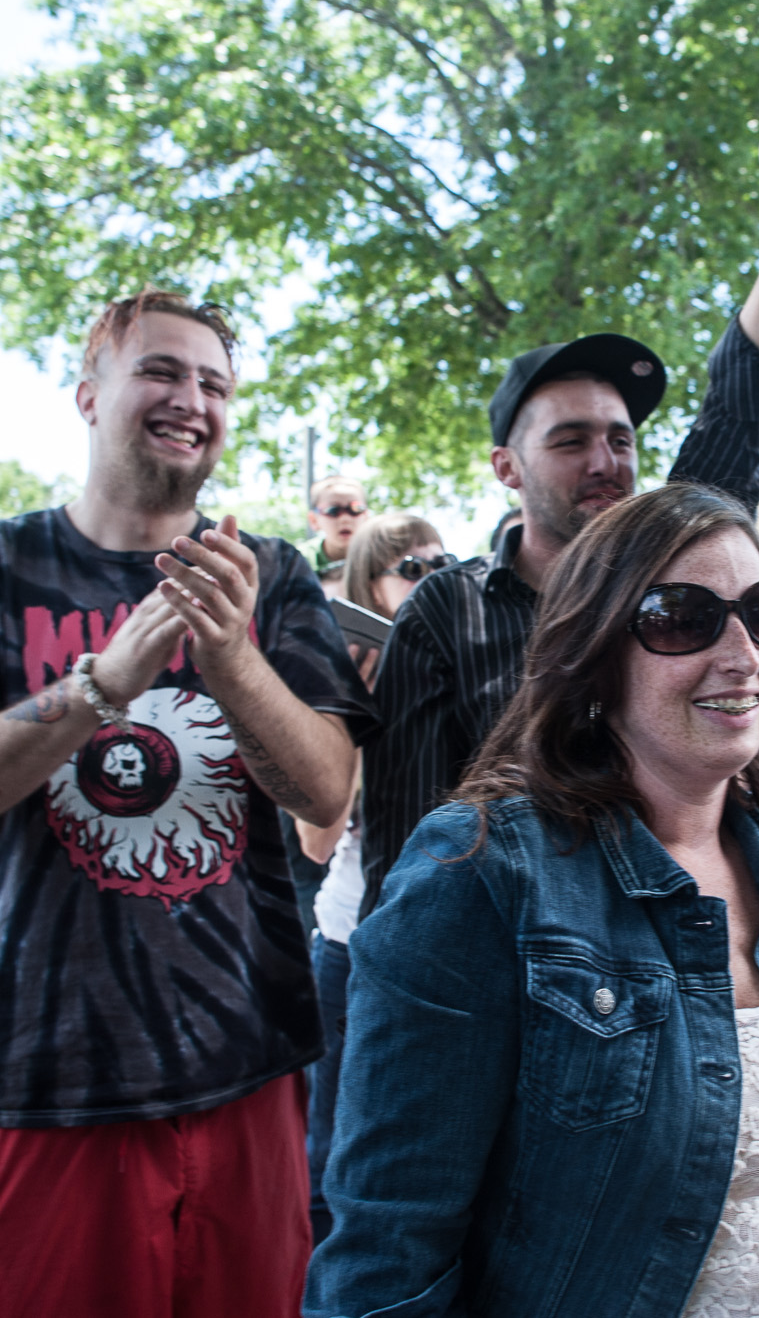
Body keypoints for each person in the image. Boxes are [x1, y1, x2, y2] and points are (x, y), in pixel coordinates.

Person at [305, 484, 759, 1316]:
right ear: (593, 653)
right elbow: (387, 1248)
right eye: (683, 618)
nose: (743, 653)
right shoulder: (479, 873)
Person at [0, 289, 358, 1316]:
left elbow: (323, 790)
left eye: (214, 383)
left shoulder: (270, 574)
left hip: (247, 1071)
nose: (191, 399)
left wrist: (231, 656)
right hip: (39, 1086)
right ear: (89, 395)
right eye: (161, 370)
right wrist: (100, 684)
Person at [347, 123, 759, 915]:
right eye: (570, 440)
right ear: (506, 467)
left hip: (683, 943)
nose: (605, 460)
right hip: (516, 952)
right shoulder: (449, 610)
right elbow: (405, 838)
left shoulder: (677, 571)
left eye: (620, 438)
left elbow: (742, 414)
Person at [291, 512, 447, 1241]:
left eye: (442, 565)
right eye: (412, 570)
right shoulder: (342, 680)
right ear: (369, 589)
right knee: (330, 1150)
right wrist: (348, 715)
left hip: (447, 941)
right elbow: (316, 841)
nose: (431, 580)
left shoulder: (463, 666)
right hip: (350, 941)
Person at [296, 475, 371, 592]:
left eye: (356, 509)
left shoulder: (384, 559)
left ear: (366, 516)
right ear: (314, 520)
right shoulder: (299, 562)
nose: (345, 518)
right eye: (333, 510)